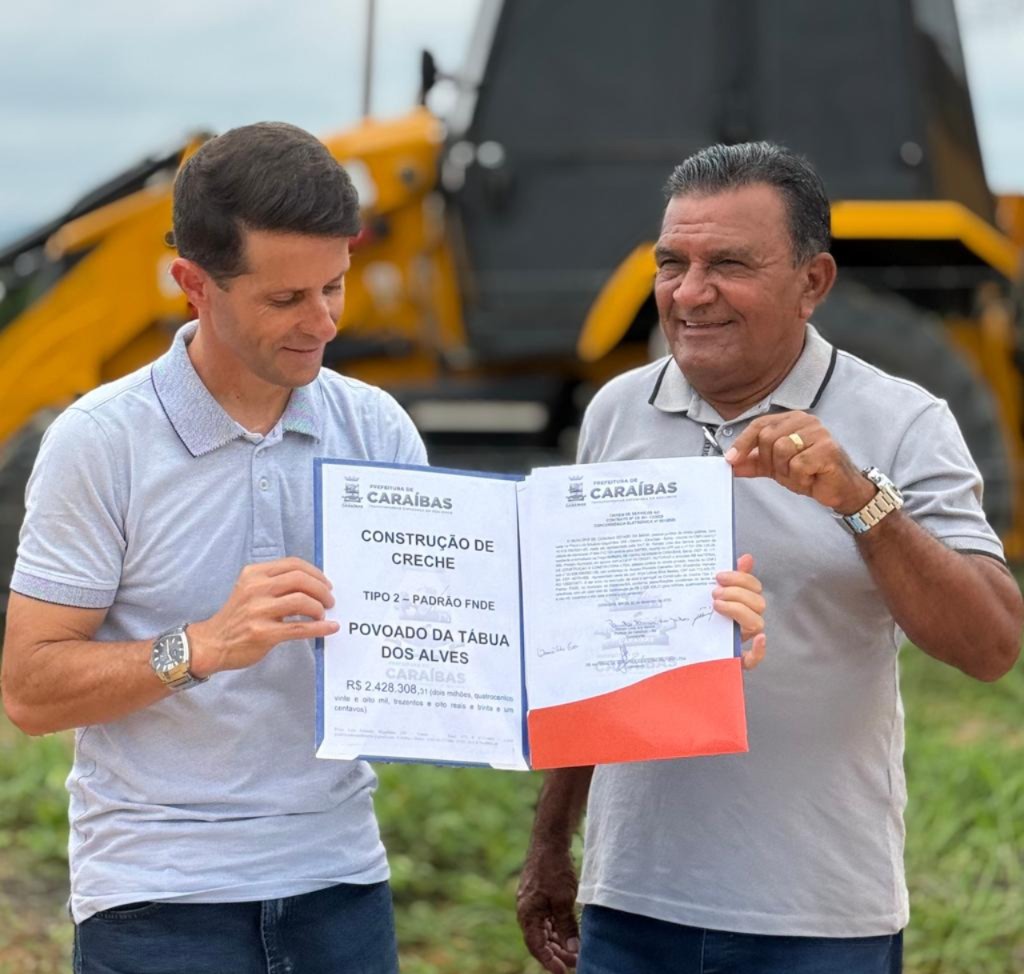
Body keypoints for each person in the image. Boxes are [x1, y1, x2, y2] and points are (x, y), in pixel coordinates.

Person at [516, 142, 1023, 974]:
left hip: (818, 916)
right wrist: (549, 844)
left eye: (729, 264)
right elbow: (587, 654)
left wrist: (860, 500)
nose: (690, 292)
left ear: (812, 282)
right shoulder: (617, 412)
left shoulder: (904, 420)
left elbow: (991, 645)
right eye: (672, 263)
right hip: (633, 905)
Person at [0, 122, 426, 973]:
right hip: (156, 895)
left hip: (341, 881)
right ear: (193, 285)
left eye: (334, 286)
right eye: (286, 299)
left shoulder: (376, 427)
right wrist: (200, 648)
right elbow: (30, 691)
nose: (323, 322)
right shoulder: (100, 442)